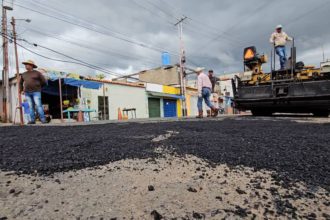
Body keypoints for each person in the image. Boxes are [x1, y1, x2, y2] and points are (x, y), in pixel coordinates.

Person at [19, 60, 47, 124]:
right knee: (30, 106)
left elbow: (44, 82)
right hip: (27, 92)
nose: (26, 66)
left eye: (27, 64)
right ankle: (32, 120)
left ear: (31, 66)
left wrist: (39, 86)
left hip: (36, 92)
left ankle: (43, 119)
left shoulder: (37, 73)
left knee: (38, 105)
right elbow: (20, 83)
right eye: (25, 64)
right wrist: (21, 90)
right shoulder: (24, 74)